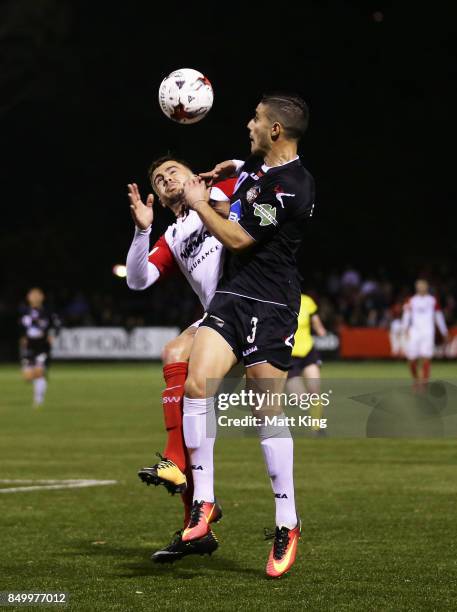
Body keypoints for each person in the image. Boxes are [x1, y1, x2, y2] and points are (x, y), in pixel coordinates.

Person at [179, 92, 315, 578]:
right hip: (234, 295)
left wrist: (198, 203)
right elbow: (253, 175)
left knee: (266, 410)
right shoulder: (259, 167)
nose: (249, 124)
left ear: (276, 130)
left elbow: (237, 238)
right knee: (197, 386)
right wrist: (230, 168)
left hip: (273, 304)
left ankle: (287, 521)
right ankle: (205, 503)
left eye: (257, 120)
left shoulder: (293, 187)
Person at [126, 156, 236, 562]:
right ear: (156, 194)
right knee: (173, 354)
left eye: (174, 170)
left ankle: (178, 464)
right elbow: (139, 280)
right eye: (159, 177)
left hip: (248, 310)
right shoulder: (173, 234)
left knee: (267, 421)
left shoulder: (219, 195)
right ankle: (197, 524)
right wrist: (142, 230)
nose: (166, 177)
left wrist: (227, 173)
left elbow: (269, 182)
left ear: (194, 175)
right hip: (217, 317)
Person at [286, 294, 327, 435]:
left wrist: (320, 330)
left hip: (308, 352)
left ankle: (318, 428)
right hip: (288, 356)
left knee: (314, 390)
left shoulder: (307, 301)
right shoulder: (279, 298)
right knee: (300, 399)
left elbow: (316, 321)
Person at [402, 279, 448, 388]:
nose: (421, 287)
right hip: (415, 332)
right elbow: (406, 315)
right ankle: (416, 380)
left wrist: (444, 331)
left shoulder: (432, 300)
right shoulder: (411, 300)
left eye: (423, 285)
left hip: (428, 332)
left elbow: (438, 316)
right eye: (419, 286)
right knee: (411, 359)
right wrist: (404, 329)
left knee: (426, 357)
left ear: (427, 287)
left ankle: (424, 384)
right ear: (416, 287)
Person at [19, 287, 60, 408]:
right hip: (29, 346)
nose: (35, 297)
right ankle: (38, 379)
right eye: (32, 295)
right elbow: (21, 328)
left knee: (39, 372)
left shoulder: (48, 312)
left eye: (37, 295)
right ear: (28, 297)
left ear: (42, 297)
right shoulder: (24, 312)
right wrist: (22, 337)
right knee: (28, 376)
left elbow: (58, 325)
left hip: (42, 346)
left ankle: (38, 400)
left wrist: (52, 335)